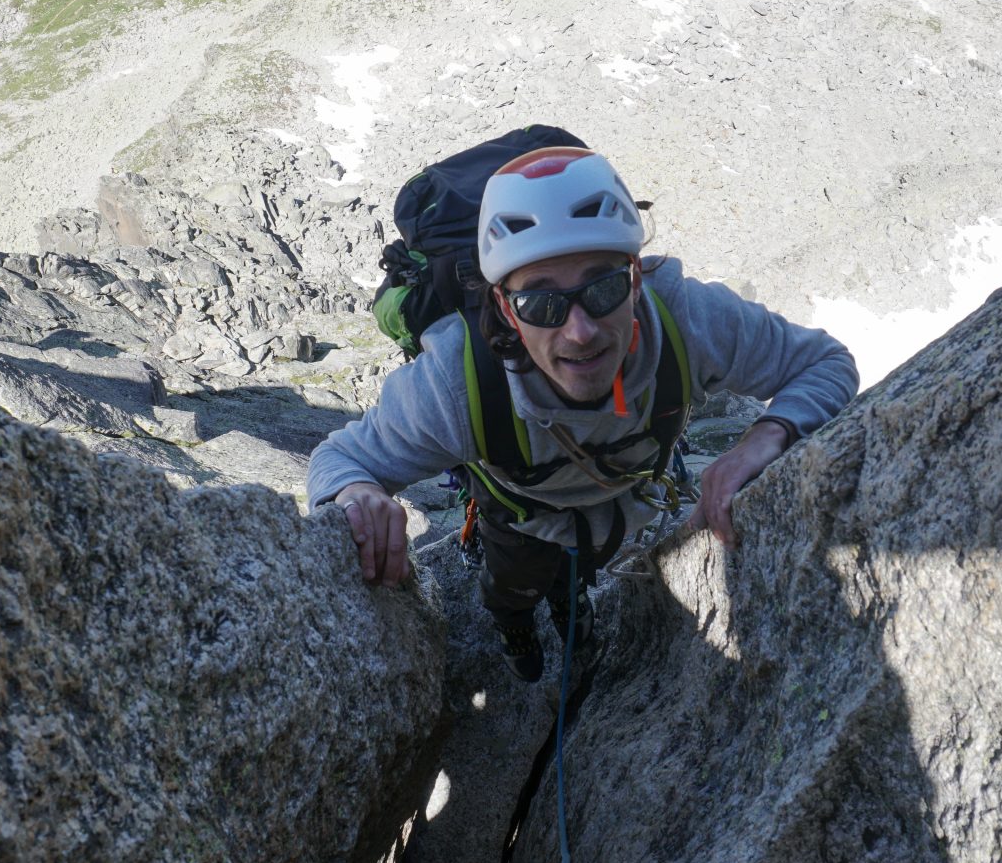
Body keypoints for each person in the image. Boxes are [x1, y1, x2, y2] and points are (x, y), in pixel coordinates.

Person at [306, 146, 857, 680]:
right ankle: (515, 625)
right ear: (504, 307)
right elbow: (341, 458)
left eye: (604, 287)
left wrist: (766, 436)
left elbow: (824, 362)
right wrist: (358, 496)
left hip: (624, 502)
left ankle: (572, 609)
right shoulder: (454, 380)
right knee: (513, 585)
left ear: (637, 278)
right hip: (524, 517)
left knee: (577, 572)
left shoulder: (686, 317)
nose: (581, 330)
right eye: (541, 303)